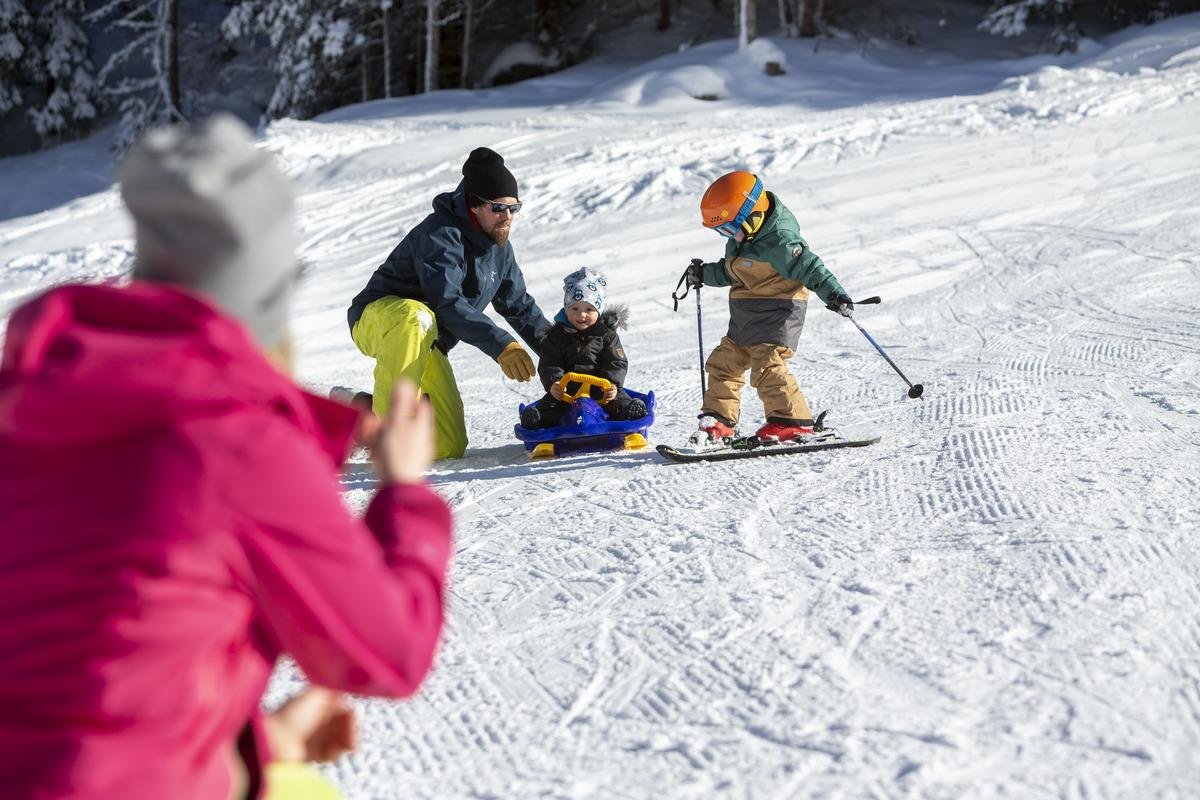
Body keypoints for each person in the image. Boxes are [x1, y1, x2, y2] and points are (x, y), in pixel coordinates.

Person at [0, 114, 453, 800]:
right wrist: (405, 491)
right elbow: (390, 653)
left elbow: (83, 692)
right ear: (266, 299)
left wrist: (265, 741)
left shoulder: (26, 404)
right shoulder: (234, 442)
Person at [346, 147, 552, 459]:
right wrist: (501, 345)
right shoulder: (439, 234)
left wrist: (562, 353)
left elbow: (519, 305)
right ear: (474, 204)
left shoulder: (500, 247)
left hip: (428, 341)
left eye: (514, 208)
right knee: (417, 316)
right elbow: (447, 302)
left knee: (447, 445)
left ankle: (358, 413)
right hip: (380, 320)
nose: (507, 217)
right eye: (498, 208)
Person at [685, 170, 854, 444]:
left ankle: (791, 420)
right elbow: (733, 271)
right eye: (721, 231)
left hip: (778, 310)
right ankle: (719, 421)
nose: (728, 236)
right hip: (745, 313)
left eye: (728, 228)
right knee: (723, 362)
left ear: (752, 215)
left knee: (766, 362)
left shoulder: (782, 242)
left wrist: (835, 294)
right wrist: (704, 274)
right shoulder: (743, 240)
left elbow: (812, 268)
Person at [519, 268, 647, 430]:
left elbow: (616, 362)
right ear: (566, 309)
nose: (582, 315)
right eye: (575, 309)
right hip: (567, 393)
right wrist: (555, 383)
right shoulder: (556, 336)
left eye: (589, 309)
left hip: (601, 391)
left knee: (618, 403)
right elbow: (550, 362)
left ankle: (631, 411)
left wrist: (612, 385)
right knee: (550, 407)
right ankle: (535, 419)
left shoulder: (607, 336)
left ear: (598, 310)